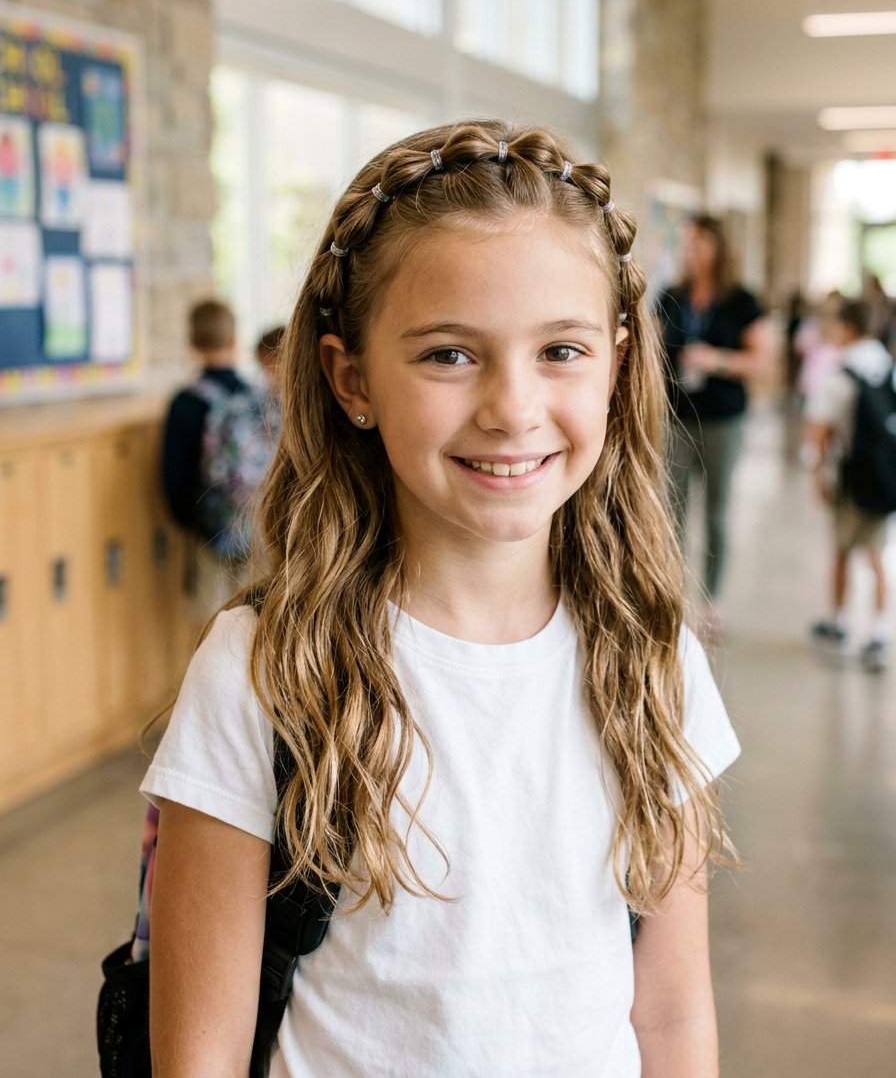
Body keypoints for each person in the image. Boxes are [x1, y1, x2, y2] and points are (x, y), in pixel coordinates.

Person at [142, 121, 741, 1077]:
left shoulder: (655, 662)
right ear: (351, 379)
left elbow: (671, 1018)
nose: (512, 408)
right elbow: (198, 1058)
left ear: (618, 366)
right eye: (450, 356)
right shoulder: (263, 672)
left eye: (561, 350)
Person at [657, 213, 772, 640]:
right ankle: (668, 594)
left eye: (698, 243)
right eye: (686, 243)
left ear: (717, 248)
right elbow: (651, 345)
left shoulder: (741, 301)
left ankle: (710, 604)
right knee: (670, 510)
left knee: (717, 513)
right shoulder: (672, 296)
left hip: (723, 420)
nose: (690, 251)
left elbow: (762, 360)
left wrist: (717, 360)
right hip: (676, 417)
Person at [805, 299, 894, 673]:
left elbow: (819, 430)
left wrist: (818, 474)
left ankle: (838, 623)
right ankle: (879, 631)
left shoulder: (840, 373)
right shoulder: (888, 366)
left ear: (846, 327)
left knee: (842, 549)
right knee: (877, 554)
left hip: (851, 477)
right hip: (886, 478)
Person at [160, 298, 253, 616]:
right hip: (253, 523)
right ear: (234, 340)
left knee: (212, 618)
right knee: (253, 615)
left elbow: (174, 473)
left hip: (209, 524)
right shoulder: (253, 395)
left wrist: (187, 520)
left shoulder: (186, 403)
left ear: (192, 342)